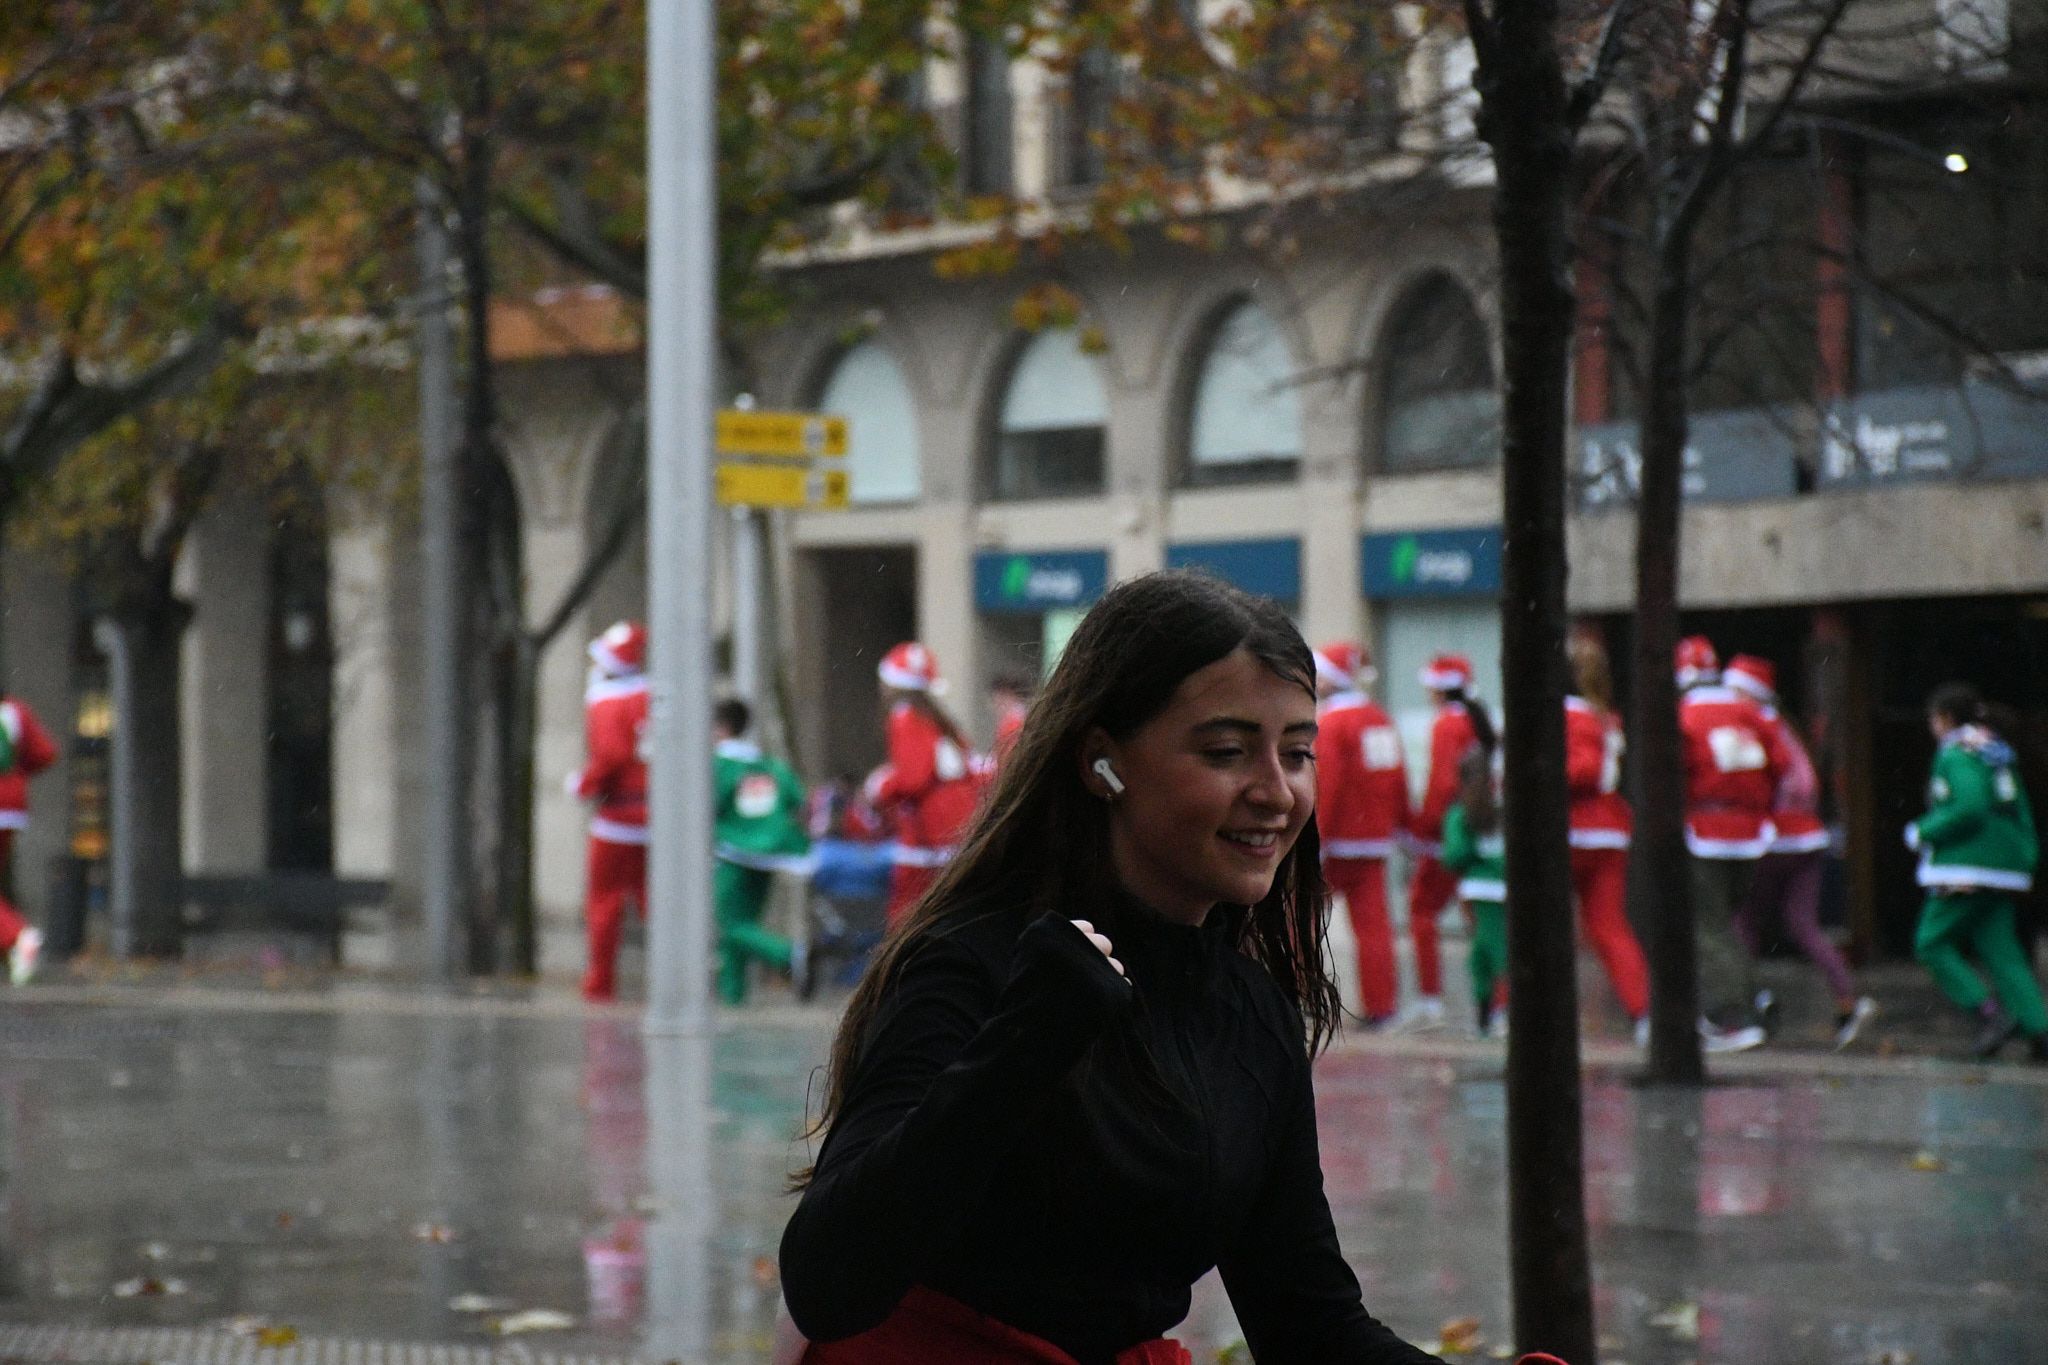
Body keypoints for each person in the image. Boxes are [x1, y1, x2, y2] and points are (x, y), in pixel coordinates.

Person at [779, 570, 1445, 1364]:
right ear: (1102, 760)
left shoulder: (1251, 1012)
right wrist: (1027, 1040)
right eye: (1228, 750)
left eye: (1298, 752)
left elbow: (1310, 1326)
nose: (1277, 791)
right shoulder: (974, 965)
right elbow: (827, 1277)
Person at [1722, 655, 1877, 1049]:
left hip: (1772, 838)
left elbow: (1756, 785)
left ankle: (1749, 1001)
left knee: (1742, 923)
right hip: (1807, 838)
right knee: (1802, 926)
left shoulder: (1753, 728)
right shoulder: (1785, 727)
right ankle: (1848, 1000)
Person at [1907, 682, 2048, 1063]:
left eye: (1934, 719)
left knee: (1930, 943)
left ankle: (1988, 1013)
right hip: (2006, 862)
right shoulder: (1995, 750)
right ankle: (2039, 1027)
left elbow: (1970, 805)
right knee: (2001, 950)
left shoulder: (1956, 752)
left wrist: (1924, 830)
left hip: (1968, 864)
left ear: (1946, 719)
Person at [1676, 635, 1785, 1053]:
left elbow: (1677, 773)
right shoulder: (1749, 712)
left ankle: (1730, 1015)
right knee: (1726, 923)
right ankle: (1753, 997)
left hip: (1705, 832)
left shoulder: (1684, 715)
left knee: (1710, 928)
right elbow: (1779, 764)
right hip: (1751, 835)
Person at [1311, 641, 1409, 1027]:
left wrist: (1313, 840)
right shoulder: (1380, 719)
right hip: (1374, 842)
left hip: (1335, 845)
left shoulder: (1332, 724)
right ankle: (1382, 1006)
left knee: (1298, 919)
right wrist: (1402, 827)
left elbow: (1326, 786)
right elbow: (1397, 780)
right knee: (1374, 928)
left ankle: (1296, 995)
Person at [1563, 633, 1651, 1045]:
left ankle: (1511, 1009)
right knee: (1610, 927)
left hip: (1572, 828)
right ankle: (1643, 1010)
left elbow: (1580, 771)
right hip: (1610, 830)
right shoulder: (1607, 716)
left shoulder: (1570, 715)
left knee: (1535, 924)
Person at [1404, 653, 1495, 1028]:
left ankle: (1430, 1002)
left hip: (1450, 833)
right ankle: (1494, 1006)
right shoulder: (1480, 721)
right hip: (1483, 831)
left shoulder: (1446, 725)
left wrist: (1424, 830)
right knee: (1484, 919)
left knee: (1422, 910)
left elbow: (1442, 785)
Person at [868, 642, 983, 925]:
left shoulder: (904, 716)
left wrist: (880, 787)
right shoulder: (936, 717)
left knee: (905, 920)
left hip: (928, 833)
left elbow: (913, 778)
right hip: (957, 825)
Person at [713, 698, 814, 1005]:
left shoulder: (719, 764)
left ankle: (789, 954)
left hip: (733, 855)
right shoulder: (769, 765)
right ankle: (732, 997)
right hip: (771, 856)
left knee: (731, 926)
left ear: (722, 727)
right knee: (743, 926)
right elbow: (801, 802)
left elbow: (707, 806)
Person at [570, 621, 649, 1002]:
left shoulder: (606, 701)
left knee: (604, 905)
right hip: (654, 818)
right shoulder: (653, 696)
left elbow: (610, 756)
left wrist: (582, 785)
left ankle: (600, 984)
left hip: (616, 820)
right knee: (656, 905)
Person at [1440, 747, 1506, 1040]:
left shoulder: (1461, 812)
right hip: (1506, 889)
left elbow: (1454, 855)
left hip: (1476, 890)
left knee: (1483, 953)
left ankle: (1488, 1015)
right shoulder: (1505, 810)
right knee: (1499, 949)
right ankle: (1495, 1014)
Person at [0, 693, 58, 985]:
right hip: (11, 805)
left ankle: (18, 936)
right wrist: (17, 775)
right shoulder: (15, 712)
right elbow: (46, 753)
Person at [989, 674, 1031, 768]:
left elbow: (1008, 757)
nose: (996, 703)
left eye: (999, 697)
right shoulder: (1017, 719)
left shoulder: (1014, 722)